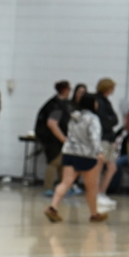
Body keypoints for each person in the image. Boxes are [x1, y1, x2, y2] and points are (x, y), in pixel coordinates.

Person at [44, 94, 108, 223]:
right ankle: (94, 214)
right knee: (91, 187)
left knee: (65, 182)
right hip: (87, 155)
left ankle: (53, 207)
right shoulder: (93, 118)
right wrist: (99, 152)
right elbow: (94, 136)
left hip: (69, 153)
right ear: (91, 104)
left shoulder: (74, 117)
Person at [34, 80, 71, 191]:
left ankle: (62, 187)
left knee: (61, 163)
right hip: (52, 139)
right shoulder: (57, 105)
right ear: (65, 90)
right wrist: (64, 139)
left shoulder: (57, 102)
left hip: (52, 138)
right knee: (54, 162)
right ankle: (48, 188)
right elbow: (52, 124)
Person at [93, 78, 120, 208]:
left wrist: (110, 120)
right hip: (101, 137)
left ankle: (102, 192)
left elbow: (115, 119)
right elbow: (103, 121)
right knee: (99, 167)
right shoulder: (97, 101)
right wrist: (110, 120)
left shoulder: (106, 101)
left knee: (112, 167)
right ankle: (96, 194)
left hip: (110, 138)